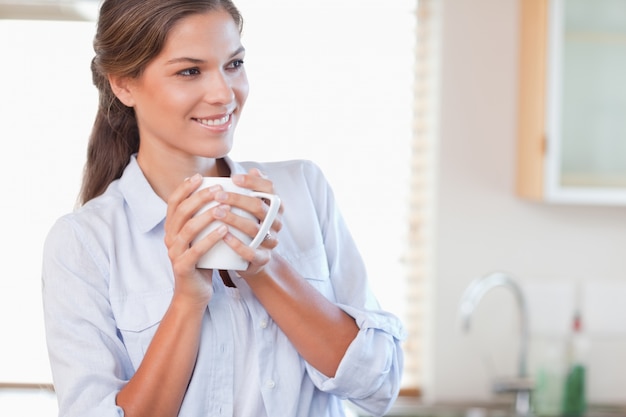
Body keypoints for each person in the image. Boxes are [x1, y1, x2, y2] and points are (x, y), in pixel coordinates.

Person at [41, 0, 406, 416]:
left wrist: (265, 267)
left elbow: (378, 386)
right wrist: (188, 300)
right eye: (189, 71)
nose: (224, 94)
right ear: (124, 84)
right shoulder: (84, 243)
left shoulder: (304, 189)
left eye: (233, 65)